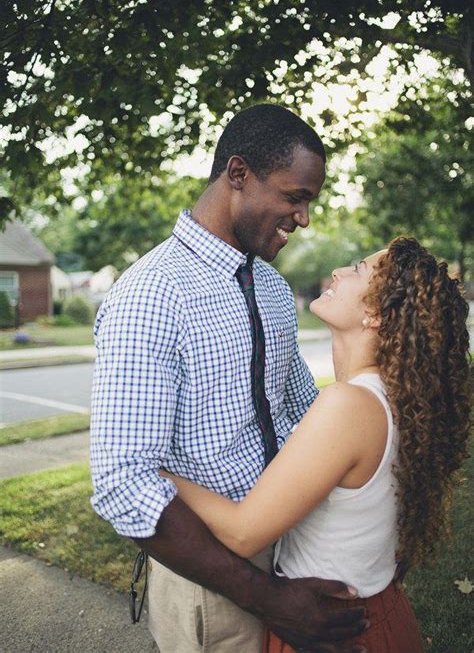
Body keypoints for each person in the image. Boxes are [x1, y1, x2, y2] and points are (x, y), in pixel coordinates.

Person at [90, 104, 368, 653]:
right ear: (238, 175)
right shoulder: (151, 294)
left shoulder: (269, 284)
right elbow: (124, 484)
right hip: (212, 578)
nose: (305, 217)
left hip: (293, 551)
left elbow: (297, 416)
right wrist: (264, 596)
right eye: (295, 197)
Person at [162, 237, 472, 652]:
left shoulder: (350, 405)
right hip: (374, 616)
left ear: (376, 313)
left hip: (330, 628)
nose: (338, 273)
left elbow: (241, 534)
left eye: (358, 269)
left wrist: (156, 471)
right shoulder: (393, 396)